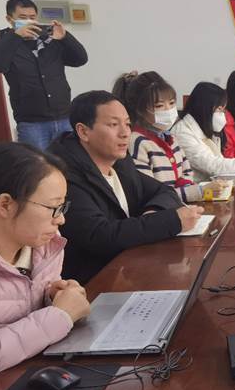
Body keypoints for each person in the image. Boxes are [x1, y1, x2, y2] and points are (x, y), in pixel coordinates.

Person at [48, 90, 203, 284]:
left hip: (130, 267)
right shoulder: (63, 175)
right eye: (113, 125)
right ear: (83, 132)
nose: (125, 133)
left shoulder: (119, 162)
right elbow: (100, 236)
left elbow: (164, 191)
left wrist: (153, 212)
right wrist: (170, 221)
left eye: (128, 124)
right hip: (91, 282)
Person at [0, 142, 91, 374]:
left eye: (63, 207)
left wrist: (53, 297)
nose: (61, 220)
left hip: (34, 371)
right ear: (5, 205)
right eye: (53, 207)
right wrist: (59, 316)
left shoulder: (47, 246)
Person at [112, 71, 224, 202]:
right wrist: (198, 191)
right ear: (140, 110)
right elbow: (150, 193)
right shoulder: (137, 142)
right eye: (159, 106)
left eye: (171, 103)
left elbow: (187, 172)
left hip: (180, 205)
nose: (168, 110)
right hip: (163, 209)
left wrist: (186, 187)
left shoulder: (171, 138)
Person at [0, 0, 88, 149]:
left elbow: (80, 59)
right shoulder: (4, 42)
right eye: (23, 18)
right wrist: (16, 36)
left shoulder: (49, 38)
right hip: (31, 123)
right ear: (9, 19)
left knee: (69, 161)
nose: (29, 21)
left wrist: (65, 37)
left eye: (32, 17)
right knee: (35, 163)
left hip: (64, 117)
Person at [172, 81, 235, 181]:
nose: (223, 115)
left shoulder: (205, 129)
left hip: (212, 185)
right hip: (196, 188)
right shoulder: (183, 132)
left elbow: (220, 163)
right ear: (205, 108)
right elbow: (213, 165)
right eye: (219, 110)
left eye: (224, 110)